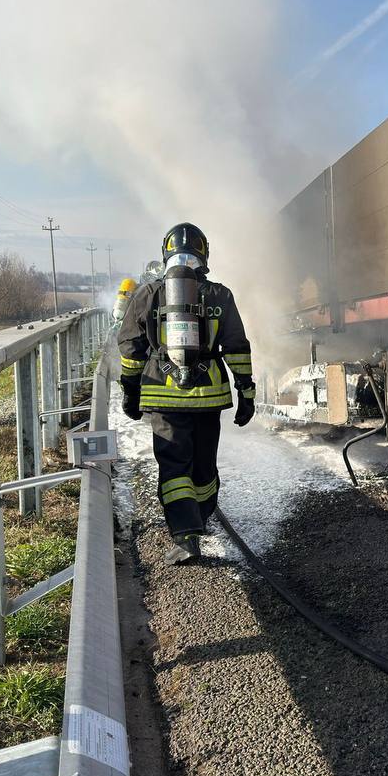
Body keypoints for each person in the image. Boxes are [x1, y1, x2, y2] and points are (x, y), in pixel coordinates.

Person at [117, 223, 255, 558]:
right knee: (204, 464)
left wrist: (130, 393)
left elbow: (131, 350)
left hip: (163, 396)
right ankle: (201, 516)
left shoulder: (147, 294)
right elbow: (237, 348)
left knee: (174, 465)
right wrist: (246, 393)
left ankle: (185, 535)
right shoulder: (220, 295)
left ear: (166, 253)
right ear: (203, 254)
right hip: (209, 396)